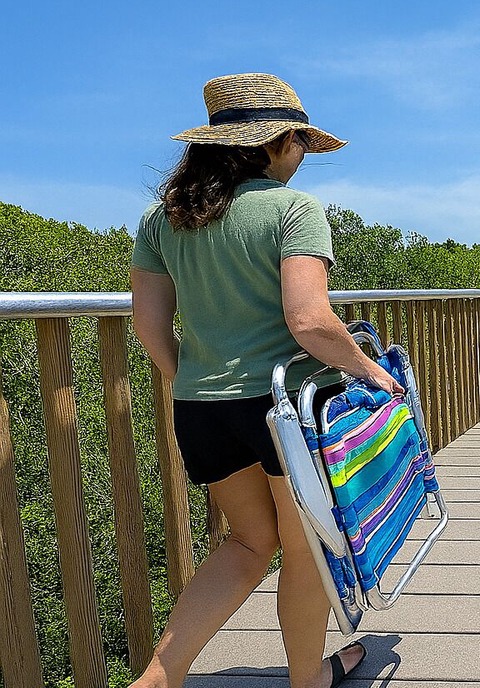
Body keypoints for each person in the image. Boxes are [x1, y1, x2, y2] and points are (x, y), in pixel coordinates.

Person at [130, 73, 400, 688]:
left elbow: (150, 328)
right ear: (274, 144)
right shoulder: (293, 210)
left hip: (199, 408)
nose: (303, 154)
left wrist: (194, 378)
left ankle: (156, 679)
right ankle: (309, 681)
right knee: (303, 552)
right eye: (299, 141)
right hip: (284, 412)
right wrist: (373, 373)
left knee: (250, 545)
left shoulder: (161, 218)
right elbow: (309, 320)